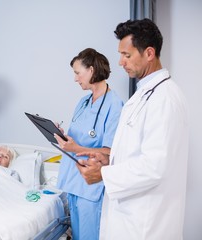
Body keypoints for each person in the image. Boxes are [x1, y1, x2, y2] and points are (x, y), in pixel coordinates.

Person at [76, 19, 189, 240]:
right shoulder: (144, 94)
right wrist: (107, 160)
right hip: (131, 220)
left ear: (149, 53)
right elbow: (137, 152)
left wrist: (103, 174)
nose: (120, 62)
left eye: (127, 55)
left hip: (146, 226)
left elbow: (154, 166)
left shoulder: (164, 98)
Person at [54, 48, 123, 240]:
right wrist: (62, 136)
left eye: (78, 73)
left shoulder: (114, 104)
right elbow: (79, 136)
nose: (75, 79)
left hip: (91, 187)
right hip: (74, 181)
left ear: (91, 70)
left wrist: (76, 148)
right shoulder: (83, 102)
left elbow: (110, 153)